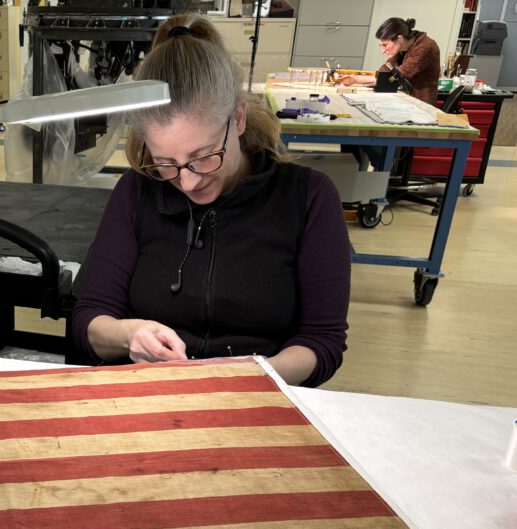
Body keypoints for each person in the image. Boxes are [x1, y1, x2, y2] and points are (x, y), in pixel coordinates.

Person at [70, 14, 351, 388]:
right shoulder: (137, 192)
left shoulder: (308, 197)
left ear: (237, 119)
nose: (187, 181)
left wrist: (252, 376)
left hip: (256, 398)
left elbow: (322, 342)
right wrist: (127, 335)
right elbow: (87, 321)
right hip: (148, 396)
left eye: (203, 156)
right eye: (166, 163)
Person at [375, 17, 441, 105]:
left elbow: (399, 75)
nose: (382, 50)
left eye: (385, 45)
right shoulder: (402, 46)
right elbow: (388, 67)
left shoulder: (426, 47)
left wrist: (378, 80)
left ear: (399, 39)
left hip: (421, 104)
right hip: (405, 98)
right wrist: (378, 78)